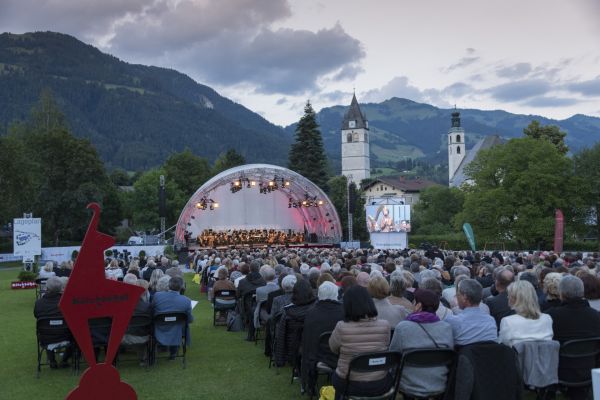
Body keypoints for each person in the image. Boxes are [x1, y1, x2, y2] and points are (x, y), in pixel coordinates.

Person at [329, 285, 391, 400]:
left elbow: (333, 349)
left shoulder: (342, 327)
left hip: (351, 383)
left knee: (336, 378)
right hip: (379, 382)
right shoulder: (385, 325)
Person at [389, 289, 454, 398]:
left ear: (418, 305)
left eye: (414, 302)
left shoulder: (403, 327)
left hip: (409, 385)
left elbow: (393, 356)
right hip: (438, 383)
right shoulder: (446, 327)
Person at [546, 275, 600, 399]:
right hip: (590, 370)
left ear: (562, 294)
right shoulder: (597, 317)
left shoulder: (552, 316)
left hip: (560, 371)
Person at [301, 281, 344, 395]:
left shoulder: (311, 312)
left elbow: (307, 341)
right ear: (336, 294)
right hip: (335, 353)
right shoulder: (344, 311)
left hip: (319, 354)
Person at [274, 279, 316, 368]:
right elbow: (281, 336)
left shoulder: (315, 308)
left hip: (300, 348)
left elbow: (280, 336)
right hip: (300, 348)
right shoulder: (288, 312)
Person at [498, 280, 553, 347]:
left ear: (517, 299)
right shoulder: (547, 319)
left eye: (509, 295)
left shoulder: (507, 321)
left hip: (518, 357)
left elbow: (503, 346)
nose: (507, 297)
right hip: (546, 357)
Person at [151, 276, 194, 359]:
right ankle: (173, 353)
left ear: (169, 285)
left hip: (160, 327)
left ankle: (170, 351)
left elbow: (152, 310)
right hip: (174, 328)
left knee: (177, 325)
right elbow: (190, 319)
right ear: (181, 287)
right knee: (180, 325)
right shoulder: (186, 300)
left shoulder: (157, 296)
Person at [33, 277, 72, 368]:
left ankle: (52, 361)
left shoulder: (39, 303)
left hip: (46, 337)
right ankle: (64, 360)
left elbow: (36, 315)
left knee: (47, 329)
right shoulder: (67, 301)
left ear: (46, 288)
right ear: (61, 288)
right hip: (66, 335)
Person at [445, 279, 497, 346]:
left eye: (457, 294)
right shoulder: (491, 321)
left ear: (464, 297)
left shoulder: (452, 321)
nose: (456, 297)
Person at [121, 274, 152, 365]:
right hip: (141, 337)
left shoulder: (120, 304)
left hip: (122, 337)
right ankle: (144, 358)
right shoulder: (146, 306)